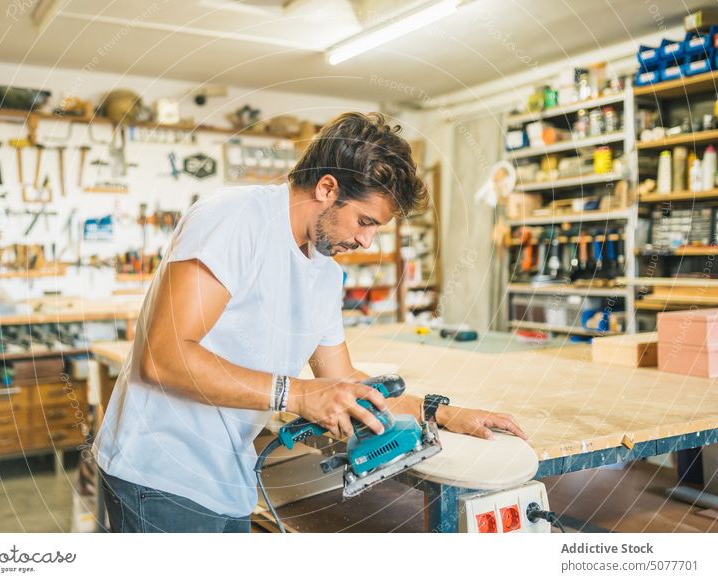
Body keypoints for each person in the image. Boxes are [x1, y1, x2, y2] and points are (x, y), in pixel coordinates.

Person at [92, 112, 527, 533]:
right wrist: (296, 394)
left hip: (227, 476)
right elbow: (162, 357)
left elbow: (344, 380)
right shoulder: (233, 219)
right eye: (365, 221)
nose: (365, 240)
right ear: (326, 187)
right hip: (161, 473)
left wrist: (441, 413)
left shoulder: (322, 269)